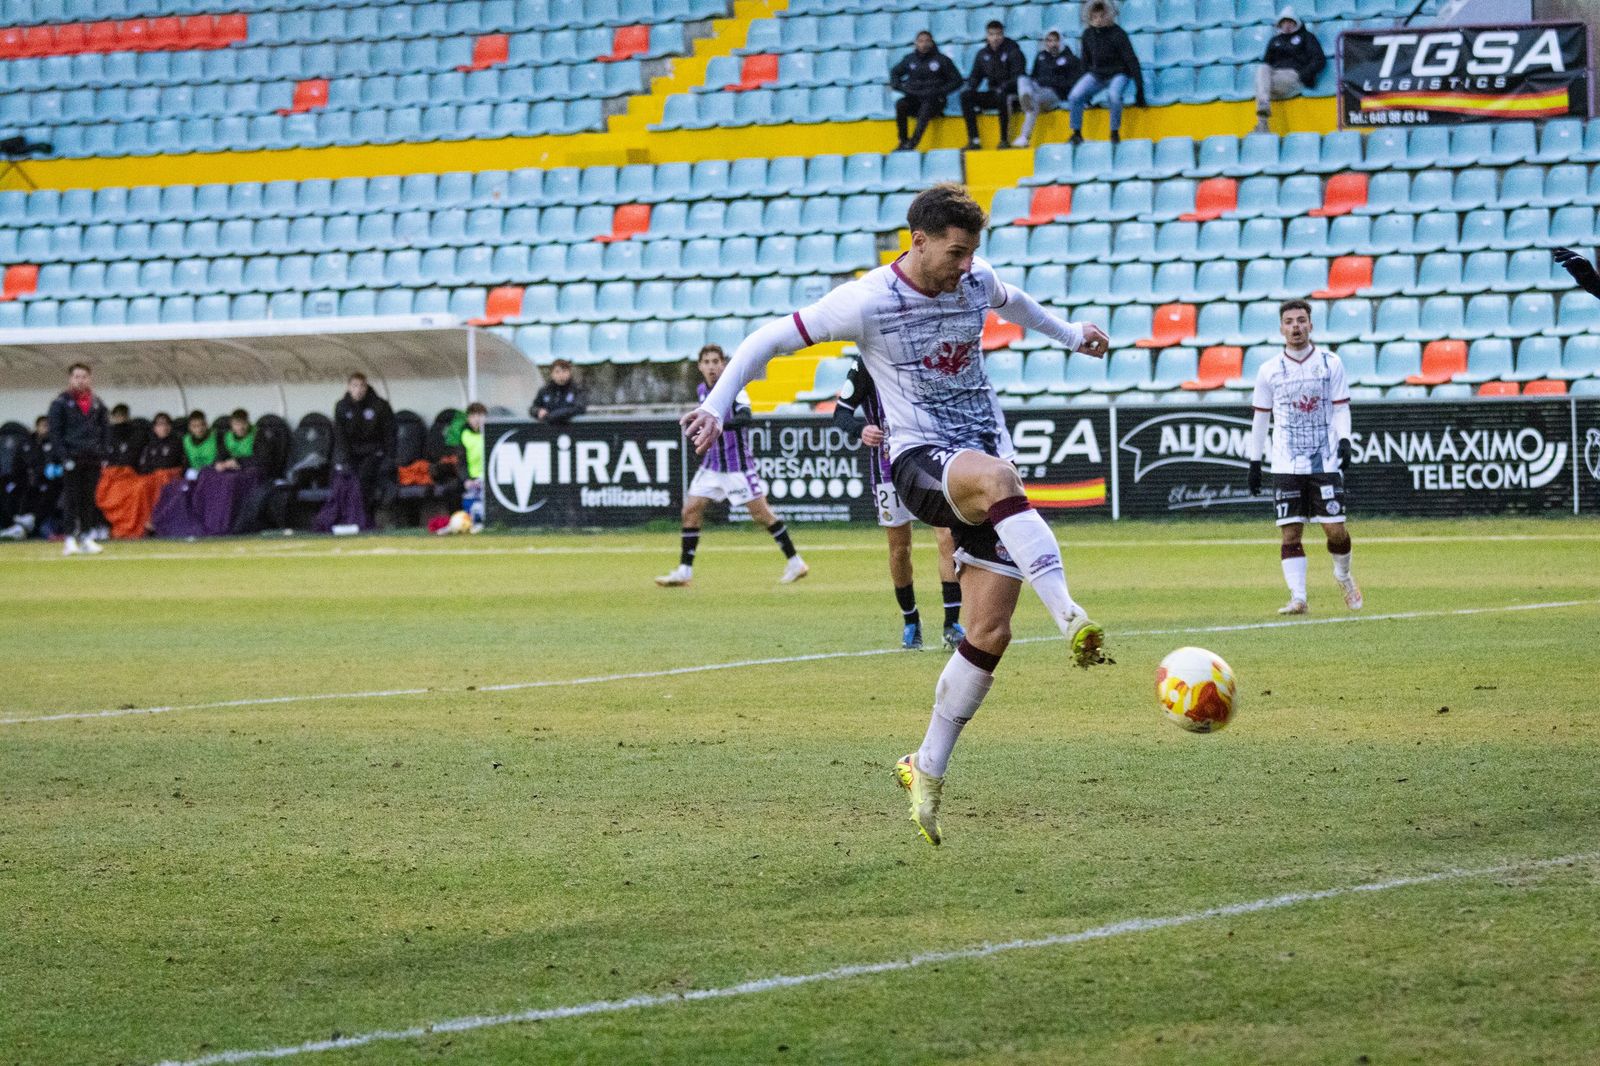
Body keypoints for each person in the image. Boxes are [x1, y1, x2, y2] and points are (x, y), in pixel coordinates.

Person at [682, 184, 1111, 846]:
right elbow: (771, 338)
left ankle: (926, 769)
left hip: (980, 460)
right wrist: (717, 403)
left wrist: (1072, 335)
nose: (966, 266)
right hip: (919, 460)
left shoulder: (975, 281)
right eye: (956, 253)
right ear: (918, 242)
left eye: (972, 254)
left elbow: (1015, 302)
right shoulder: (869, 300)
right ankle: (1073, 618)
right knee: (999, 477)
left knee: (989, 632)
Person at [833, 355, 965, 650]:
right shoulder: (863, 365)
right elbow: (841, 414)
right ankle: (911, 621)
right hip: (887, 470)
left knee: (946, 538)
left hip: (929, 464)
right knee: (900, 549)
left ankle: (951, 625)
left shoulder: (921, 356)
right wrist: (861, 430)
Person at [657, 343, 809, 588]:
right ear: (700, 367)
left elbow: (745, 418)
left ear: (724, 364)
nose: (711, 367)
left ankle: (795, 561)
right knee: (690, 511)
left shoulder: (734, 390)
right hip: (712, 466)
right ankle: (684, 571)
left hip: (738, 467)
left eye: (715, 362)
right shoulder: (701, 390)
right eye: (706, 362)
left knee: (762, 515)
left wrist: (717, 426)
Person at [1245, 299, 1362, 616]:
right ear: (1281, 328)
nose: (1295, 326)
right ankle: (1298, 598)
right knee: (1290, 530)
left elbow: (1340, 407)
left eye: (1301, 320)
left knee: (1334, 529)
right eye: (1289, 321)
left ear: (1311, 325)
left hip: (1324, 458)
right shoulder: (1268, 370)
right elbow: (1260, 418)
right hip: (1285, 461)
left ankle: (1343, 575)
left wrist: (1345, 440)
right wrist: (1255, 462)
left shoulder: (1330, 362)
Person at [46, 362, 109, 556]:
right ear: (70, 379)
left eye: (84, 376)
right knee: (71, 499)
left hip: (92, 457)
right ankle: (70, 538)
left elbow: (105, 430)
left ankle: (86, 536)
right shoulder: (61, 403)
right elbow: (55, 433)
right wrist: (63, 456)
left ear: (89, 379)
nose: (80, 380)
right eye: (76, 376)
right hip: (72, 457)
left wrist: (104, 453)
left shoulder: (97, 403)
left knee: (88, 499)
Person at [1067, 0, 1145, 145]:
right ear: (1089, 17)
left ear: (1108, 16)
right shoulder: (1087, 34)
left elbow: (1131, 60)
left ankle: (1114, 131)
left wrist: (1140, 89)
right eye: (1095, 16)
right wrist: (1085, 88)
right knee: (1074, 96)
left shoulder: (1118, 33)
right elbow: (1085, 60)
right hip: (1097, 74)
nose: (1099, 20)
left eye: (1102, 16)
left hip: (1118, 74)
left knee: (1114, 96)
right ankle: (1076, 133)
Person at [333, 372, 396, 519]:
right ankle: (344, 517)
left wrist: (390, 457)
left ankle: (364, 517)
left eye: (362, 386)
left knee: (363, 479)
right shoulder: (341, 407)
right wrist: (344, 459)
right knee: (341, 477)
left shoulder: (380, 406)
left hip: (374, 453)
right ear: (349, 387)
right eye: (355, 386)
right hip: (351, 455)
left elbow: (389, 433)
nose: (359, 389)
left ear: (366, 387)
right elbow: (340, 436)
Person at [1253, 8, 1324, 134]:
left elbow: (1318, 60)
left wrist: (1303, 75)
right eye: (1284, 22)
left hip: (1294, 75)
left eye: (1290, 22)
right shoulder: (1275, 41)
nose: (1287, 25)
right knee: (1262, 69)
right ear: (1280, 24)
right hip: (1275, 77)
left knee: (1261, 86)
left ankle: (1262, 126)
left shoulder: (1307, 37)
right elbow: (1267, 62)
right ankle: (1263, 112)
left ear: (1296, 23)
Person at [890, 30, 963, 152]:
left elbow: (957, 80)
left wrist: (940, 91)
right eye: (921, 41)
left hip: (935, 101)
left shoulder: (942, 60)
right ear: (916, 43)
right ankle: (903, 140)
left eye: (927, 41)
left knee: (927, 104)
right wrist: (900, 87)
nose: (924, 44)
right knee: (901, 104)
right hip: (915, 99)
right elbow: (895, 72)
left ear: (932, 42)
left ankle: (913, 143)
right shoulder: (909, 59)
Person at [959, 20, 1026, 151]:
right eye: (991, 34)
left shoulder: (1013, 51)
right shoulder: (983, 54)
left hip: (1012, 95)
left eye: (998, 34)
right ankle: (974, 140)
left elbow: (1018, 77)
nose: (995, 38)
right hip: (993, 94)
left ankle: (1004, 140)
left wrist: (1004, 87)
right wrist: (970, 87)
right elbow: (975, 77)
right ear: (987, 36)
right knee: (966, 96)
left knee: (1002, 95)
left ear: (1003, 34)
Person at [1012, 29, 1082, 149]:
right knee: (1022, 79)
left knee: (1034, 101)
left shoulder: (1071, 59)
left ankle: (1024, 136)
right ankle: (1026, 97)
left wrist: (1051, 82)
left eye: (1055, 40)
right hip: (1037, 89)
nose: (1052, 44)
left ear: (1061, 41)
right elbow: (1033, 76)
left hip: (1054, 93)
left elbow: (1072, 83)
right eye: (1049, 41)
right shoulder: (1041, 56)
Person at [0, 416, 60, 541]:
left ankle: (36, 522)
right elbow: (18, 465)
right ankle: (14, 523)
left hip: (47, 482)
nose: (46, 429)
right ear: (37, 427)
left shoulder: (54, 443)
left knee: (49, 492)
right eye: (43, 425)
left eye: (48, 426)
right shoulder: (27, 443)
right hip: (24, 482)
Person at [531, 359, 587, 424]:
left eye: (564, 371)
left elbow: (579, 408)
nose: (561, 375)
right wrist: (538, 411)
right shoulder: (544, 390)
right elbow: (533, 408)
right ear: (552, 374)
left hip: (570, 428)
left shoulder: (577, 389)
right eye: (557, 372)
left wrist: (554, 415)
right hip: (548, 430)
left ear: (569, 373)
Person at [460, 401, 487, 531]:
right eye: (473, 415)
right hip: (472, 477)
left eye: (480, 415)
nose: (477, 419)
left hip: (488, 478)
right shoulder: (464, 435)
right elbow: (461, 461)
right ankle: (472, 522)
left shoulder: (490, 433)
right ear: (468, 418)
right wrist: (466, 479)